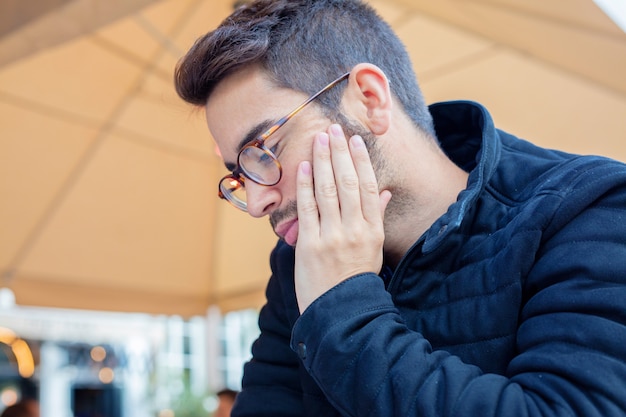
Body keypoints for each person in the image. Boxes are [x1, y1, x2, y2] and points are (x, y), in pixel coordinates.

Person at [174, 0, 626, 416]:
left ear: (369, 100)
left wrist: (343, 304)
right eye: (240, 174)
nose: (256, 203)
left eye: (264, 149)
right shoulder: (299, 262)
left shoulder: (590, 208)